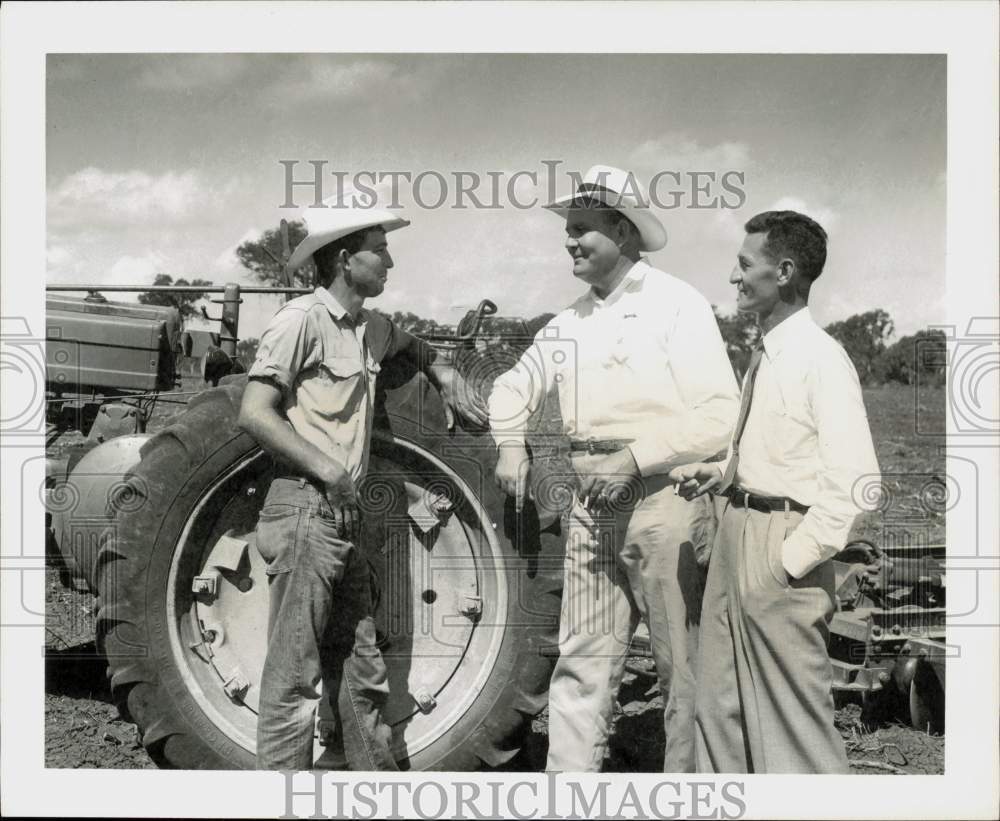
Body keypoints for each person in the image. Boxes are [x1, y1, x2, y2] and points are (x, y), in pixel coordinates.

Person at [488, 165, 740, 772]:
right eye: (567, 229)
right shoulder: (570, 321)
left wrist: (632, 458)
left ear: (624, 232)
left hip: (665, 505)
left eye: (582, 228)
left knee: (682, 667)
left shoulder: (676, 304)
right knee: (583, 663)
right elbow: (511, 385)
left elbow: (720, 414)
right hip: (590, 510)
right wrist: (511, 444)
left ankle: (688, 796)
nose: (568, 241)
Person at [239, 188, 487, 771]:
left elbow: (413, 346)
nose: (390, 262)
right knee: (294, 677)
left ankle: (375, 794)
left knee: (362, 669)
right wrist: (327, 469)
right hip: (304, 510)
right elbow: (253, 411)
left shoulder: (370, 329)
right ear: (345, 257)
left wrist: (446, 373)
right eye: (380, 250)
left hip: (345, 517)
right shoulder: (300, 322)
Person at [669, 210, 881, 773]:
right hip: (735, 529)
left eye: (745, 264)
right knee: (719, 714)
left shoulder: (820, 358)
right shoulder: (765, 353)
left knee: (793, 726)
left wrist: (790, 560)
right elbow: (777, 453)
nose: (734, 277)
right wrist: (721, 474)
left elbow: (857, 483)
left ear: (784, 271)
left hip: (780, 546)